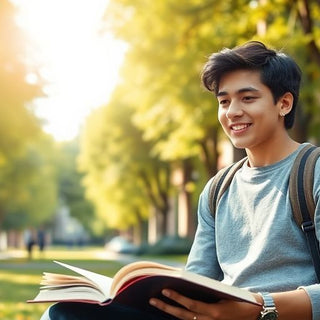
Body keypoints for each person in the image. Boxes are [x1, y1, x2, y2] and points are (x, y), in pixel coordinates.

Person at [40, 41, 320, 320]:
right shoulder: (217, 190)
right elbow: (197, 280)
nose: (232, 111)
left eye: (247, 98)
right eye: (224, 101)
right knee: (63, 314)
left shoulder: (313, 172)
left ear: (284, 103)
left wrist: (260, 308)